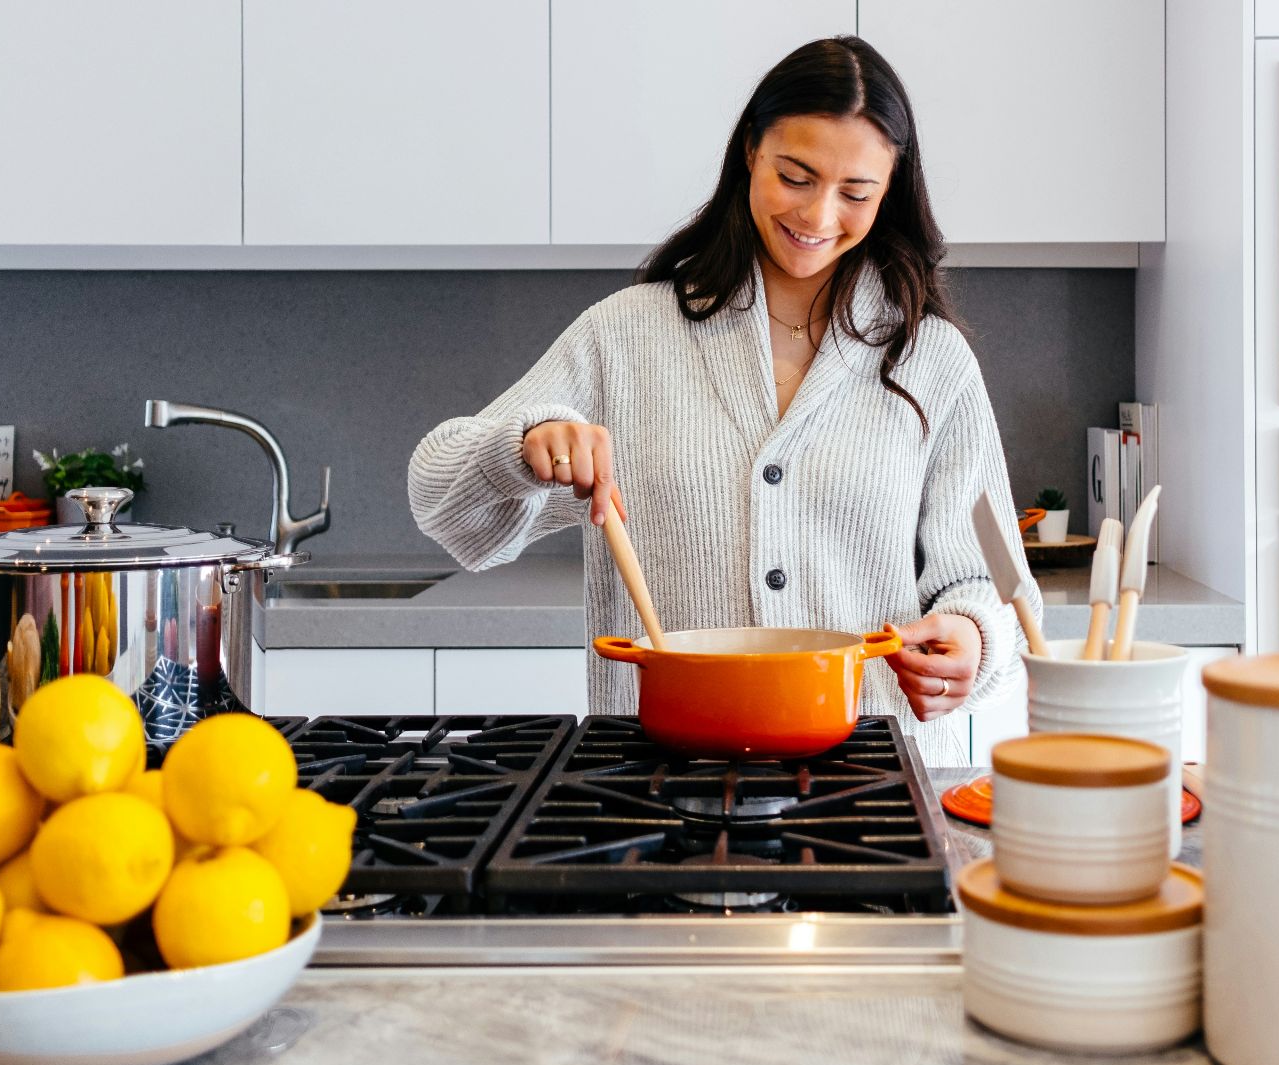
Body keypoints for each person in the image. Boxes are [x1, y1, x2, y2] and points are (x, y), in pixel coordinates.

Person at [408, 35, 1041, 766]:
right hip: (654, 785)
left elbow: (993, 583)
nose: (819, 214)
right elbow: (442, 503)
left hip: (868, 787)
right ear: (750, 152)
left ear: (891, 189)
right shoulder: (628, 336)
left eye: (855, 192)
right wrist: (522, 447)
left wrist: (969, 637)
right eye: (795, 176)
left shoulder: (931, 359)